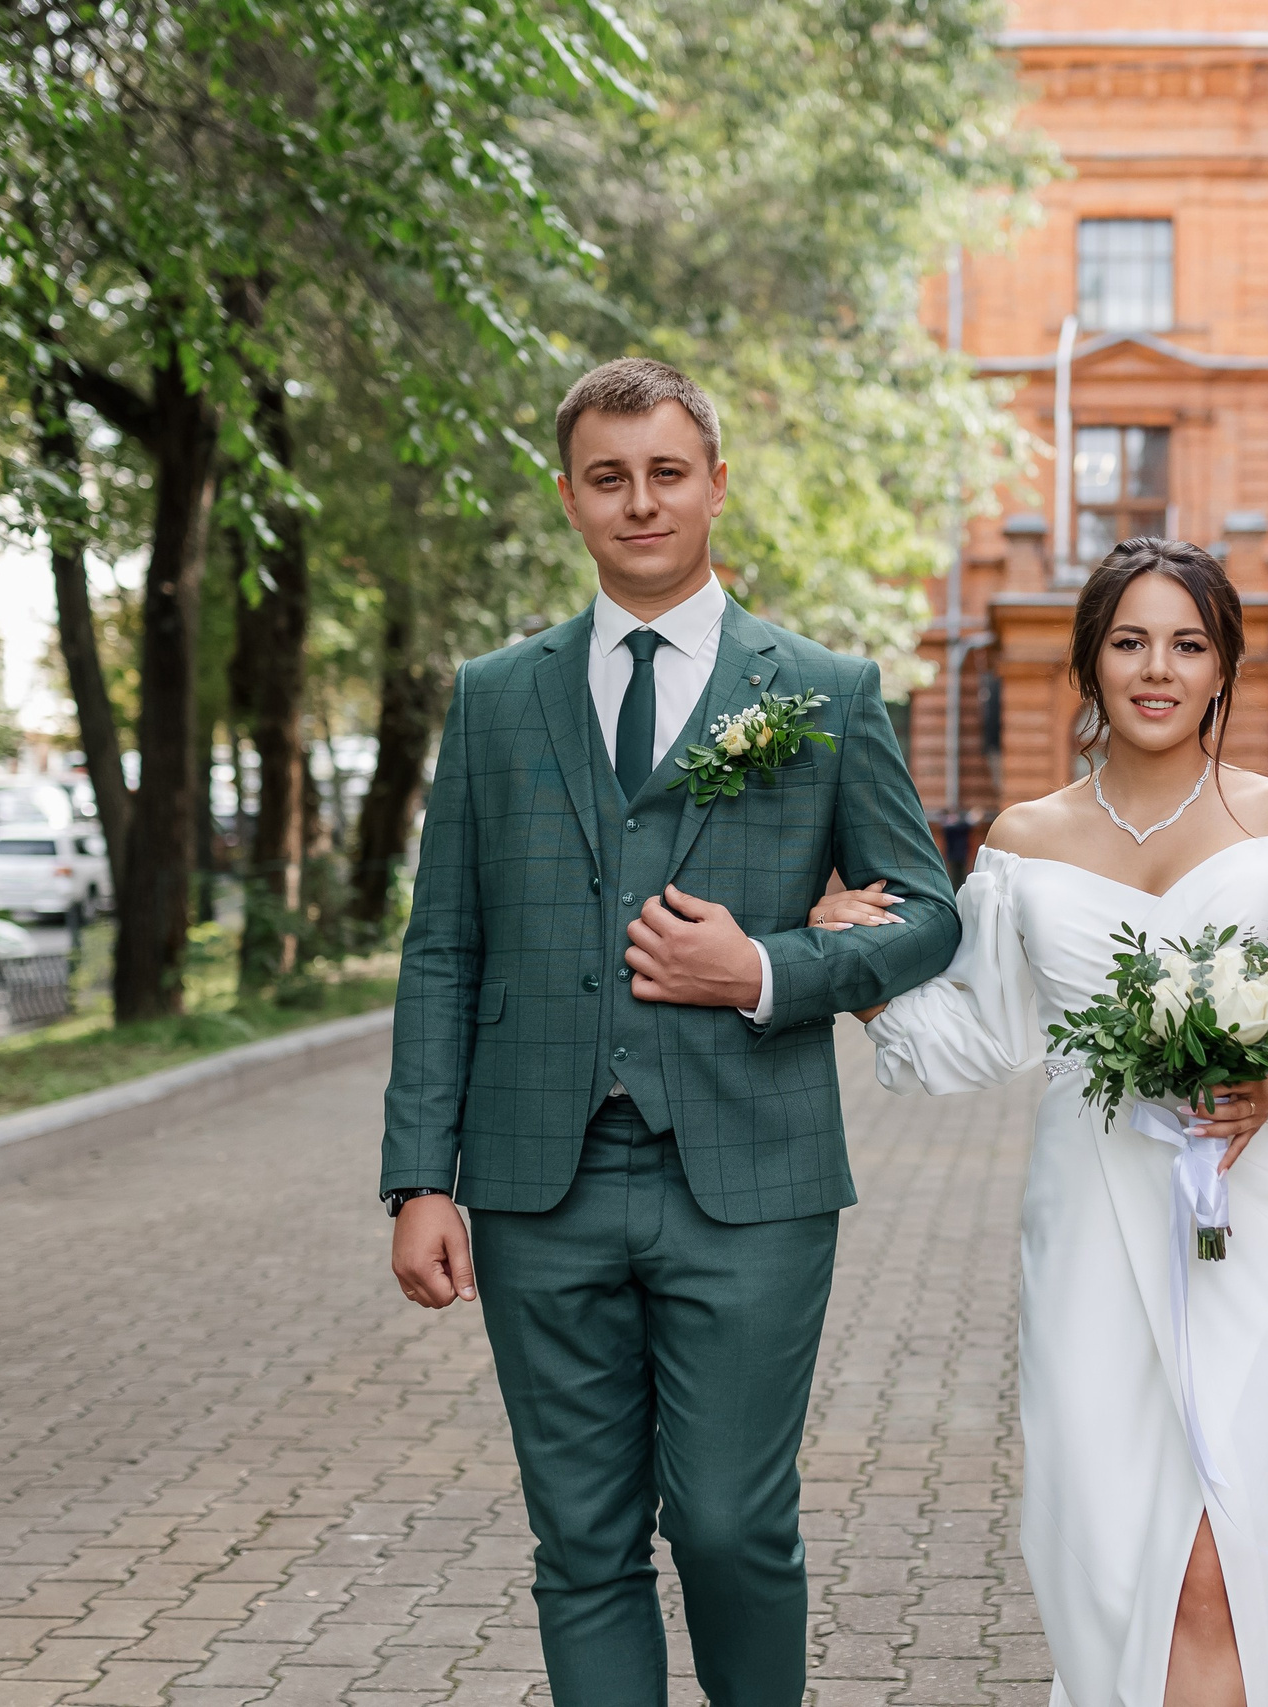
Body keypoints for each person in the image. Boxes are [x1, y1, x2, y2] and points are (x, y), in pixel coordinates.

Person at [379, 357, 961, 1707]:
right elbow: (442, 946)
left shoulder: (819, 689)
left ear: (712, 484)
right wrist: (420, 1177)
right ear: (572, 495)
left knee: (729, 1523)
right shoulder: (493, 695)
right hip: (537, 1180)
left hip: (751, 1179)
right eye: (608, 476)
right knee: (580, 1539)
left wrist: (764, 964)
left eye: (665, 472)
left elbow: (929, 912)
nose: (639, 501)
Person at [814, 537, 1268, 1707]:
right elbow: (975, 1037)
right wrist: (850, 962)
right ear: (1091, 664)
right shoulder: (1025, 841)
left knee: (1227, 1561)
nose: (1158, 668)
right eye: (1131, 641)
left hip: (1255, 1225)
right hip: (1092, 1226)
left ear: (1222, 668)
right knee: (1112, 1559)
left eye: (1188, 644)